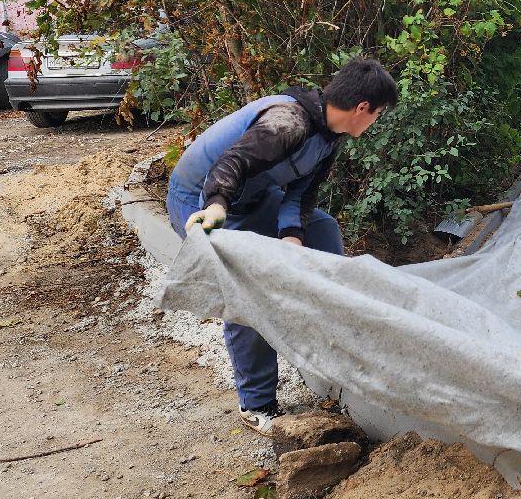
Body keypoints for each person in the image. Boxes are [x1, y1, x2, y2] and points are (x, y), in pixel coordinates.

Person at [166, 58, 400, 433]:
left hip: (252, 198)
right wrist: (215, 206)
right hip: (202, 201)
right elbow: (232, 163)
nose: (375, 123)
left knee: (321, 230)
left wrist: (291, 237)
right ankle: (256, 403)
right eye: (378, 114)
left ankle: (329, 331)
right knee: (250, 293)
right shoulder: (288, 122)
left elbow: (302, 195)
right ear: (362, 108)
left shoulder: (329, 134)